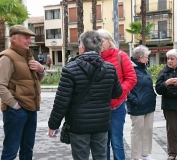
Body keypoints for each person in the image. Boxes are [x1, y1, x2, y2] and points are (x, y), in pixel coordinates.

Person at [48, 30, 123, 160]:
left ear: (82, 47)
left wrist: (53, 125)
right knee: (101, 156)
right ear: (99, 47)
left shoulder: (70, 69)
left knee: (80, 157)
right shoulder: (110, 68)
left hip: (78, 124)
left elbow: (61, 102)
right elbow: (117, 93)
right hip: (102, 123)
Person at [0, 25, 45, 160]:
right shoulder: (7, 57)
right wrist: (14, 105)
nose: (29, 41)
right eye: (26, 38)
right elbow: (0, 85)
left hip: (31, 108)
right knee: (11, 150)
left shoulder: (27, 56)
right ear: (14, 38)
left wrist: (41, 70)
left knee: (27, 148)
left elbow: (35, 81)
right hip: (16, 111)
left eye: (29, 38)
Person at [96, 29, 137, 160]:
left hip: (117, 106)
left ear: (110, 41)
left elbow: (131, 78)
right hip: (100, 108)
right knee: (103, 143)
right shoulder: (95, 58)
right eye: (96, 41)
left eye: (101, 41)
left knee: (116, 141)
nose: (99, 44)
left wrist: (118, 93)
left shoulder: (121, 55)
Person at [126, 45, 156, 160]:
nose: (148, 59)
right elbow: (126, 87)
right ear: (140, 58)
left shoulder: (143, 68)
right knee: (137, 132)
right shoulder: (130, 69)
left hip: (148, 104)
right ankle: (136, 156)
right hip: (137, 106)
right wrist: (135, 100)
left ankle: (145, 153)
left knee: (148, 130)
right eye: (147, 57)